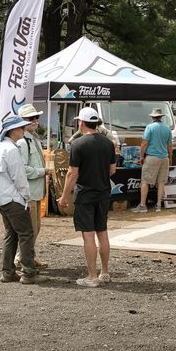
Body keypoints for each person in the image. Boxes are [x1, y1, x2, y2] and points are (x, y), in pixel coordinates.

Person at [57, 107, 116, 287]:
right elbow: (112, 170)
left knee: (88, 235)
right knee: (102, 232)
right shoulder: (108, 143)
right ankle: (104, 272)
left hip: (85, 194)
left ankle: (91, 276)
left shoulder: (78, 145)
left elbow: (72, 174)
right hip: (104, 192)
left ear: (81, 123)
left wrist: (64, 196)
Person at [0, 115, 42, 284]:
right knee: (26, 234)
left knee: (10, 234)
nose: (23, 130)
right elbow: (19, 178)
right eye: (20, 128)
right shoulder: (12, 150)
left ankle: (8, 272)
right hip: (13, 197)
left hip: (1, 196)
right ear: (13, 131)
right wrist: (27, 198)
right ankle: (28, 273)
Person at [15, 103, 48, 269]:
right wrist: (44, 171)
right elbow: (23, 169)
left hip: (35, 191)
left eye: (37, 117)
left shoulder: (33, 138)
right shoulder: (23, 142)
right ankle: (22, 258)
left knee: (36, 228)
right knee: (31, 230)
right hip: (28, 192)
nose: (36, 120)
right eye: (31, 118)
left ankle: (27, 256)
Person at [134, 107, 172, 213]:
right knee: (161, 182)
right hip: (164, 158)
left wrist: (141, 156)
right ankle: (158, 205)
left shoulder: (150, 127)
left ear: (152, 117)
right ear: (161, 117)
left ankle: (142, 206)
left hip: (152, 157)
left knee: (145, 181)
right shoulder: (167, 128)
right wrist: (170, 157)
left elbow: (144, 143)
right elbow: (170, 146)